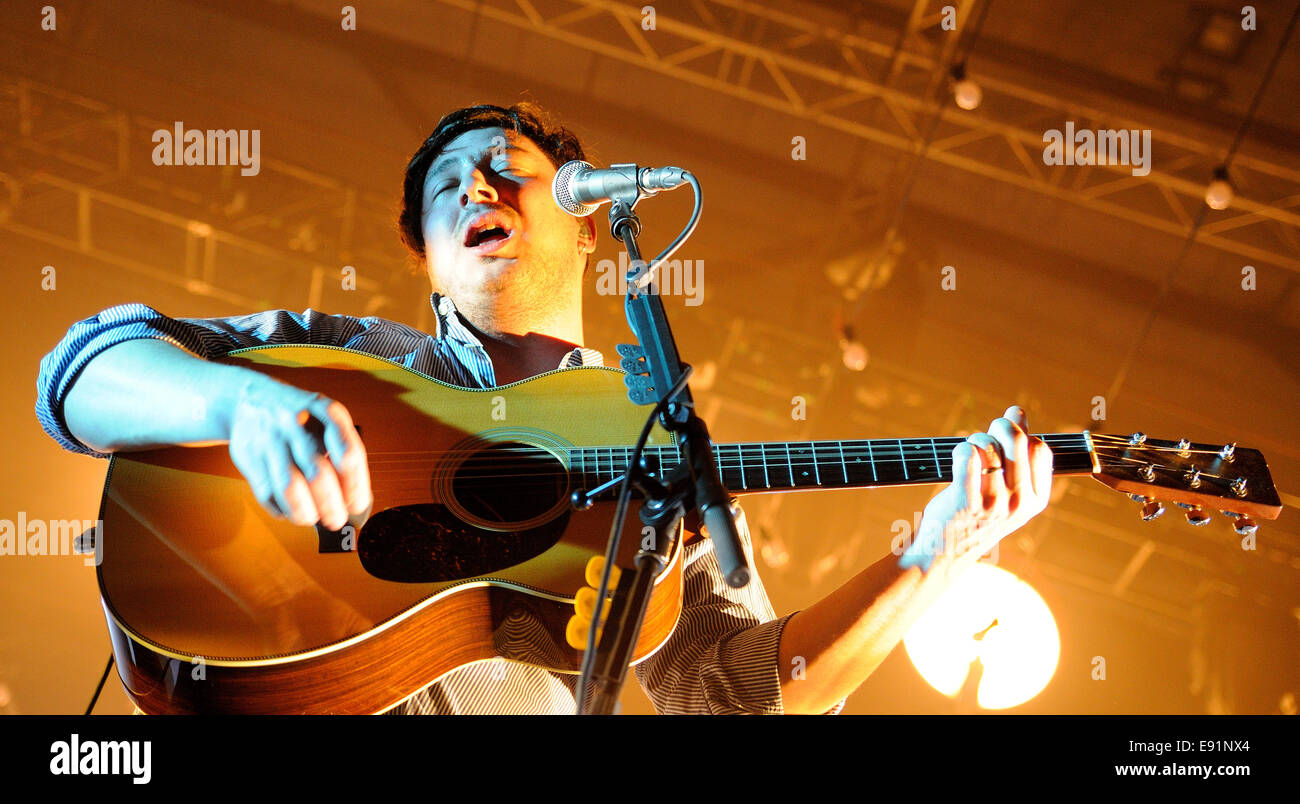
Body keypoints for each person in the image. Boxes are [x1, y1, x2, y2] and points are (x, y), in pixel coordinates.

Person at [36, 102, 1054, 715]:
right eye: (447, 183)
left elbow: (737, 695)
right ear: (426, 256)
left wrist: (935, 553)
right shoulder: (344, 360)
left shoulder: (657, 445)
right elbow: (83, 370)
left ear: (589, 223)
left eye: (509, 168)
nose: (478, 181)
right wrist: (240, 400)